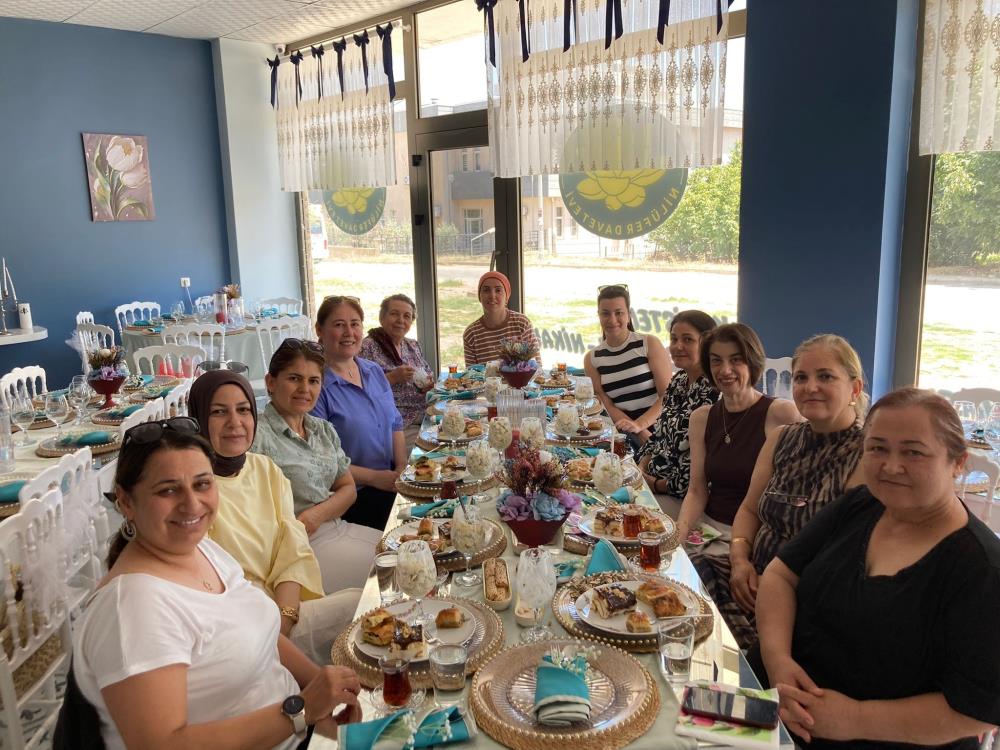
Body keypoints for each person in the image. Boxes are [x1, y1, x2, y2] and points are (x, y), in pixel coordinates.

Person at [71, 418, 362, 749]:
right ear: (125, 502)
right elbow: (165, 744)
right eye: (168, 490)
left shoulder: (202, 550)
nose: (192, 504)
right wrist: (303, 710)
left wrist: (323, 695)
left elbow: (264, 634)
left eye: (202, 484)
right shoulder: (133, 609)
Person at [757, 388, 1000, 748]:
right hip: (779, 706)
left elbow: (977, 709)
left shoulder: (982, 570)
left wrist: (856, 718)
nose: (891, 466)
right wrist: (777, 661)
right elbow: (780, 575)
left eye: (913, 452)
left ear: (958, 462)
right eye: (878, 448)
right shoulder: (860, 505)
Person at [699, 334, 866, 649]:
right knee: (688, 578)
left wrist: (774, 586)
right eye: (801, 377)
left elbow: (844, 558)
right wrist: (739, 561)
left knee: (711, 642)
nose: (810, 387)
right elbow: (749, 509)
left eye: (825, 377)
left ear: (854, 389)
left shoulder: (865, 455)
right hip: (749, 579)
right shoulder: (782, 438)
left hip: (804, 599)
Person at [189, 370, 361, 665]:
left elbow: (292, 551)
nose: (235, 422)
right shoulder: (193, 492)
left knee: (365, 604)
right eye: (219, 412)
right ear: (198, 420)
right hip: (241, 631)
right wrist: (273, 629)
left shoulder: (264, 469)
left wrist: (285, 617)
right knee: (363, 611)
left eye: (243, 410)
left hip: (283, 613)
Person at [253, 338, 382, 593]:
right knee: (399, 570)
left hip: (336, 527)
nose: (305, 389)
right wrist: (305, 523)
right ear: (271, 382)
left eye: (313, 381)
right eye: (294, 378)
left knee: (414, 550)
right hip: (299, 549)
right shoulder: (257, 436)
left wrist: (317, 514)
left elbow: (348, 488)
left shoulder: (322, 430)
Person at [677, 323, 800, 546]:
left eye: (736, 360)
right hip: (709, 530)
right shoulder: (701, 418)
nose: (725, 370)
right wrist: (679, 534)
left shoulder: (781, 413)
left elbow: (793, 495)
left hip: (758, 536)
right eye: (716, 361)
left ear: (752, 362)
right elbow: (696, 490)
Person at [312, 295, 406, 531]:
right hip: (354, 494)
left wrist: (402, 468)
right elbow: (323, 461)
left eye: (355, 324)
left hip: (391, 481)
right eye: (339, 324)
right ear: (319, 330)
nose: (349, 332)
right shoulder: (316, 387)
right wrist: (376, 478)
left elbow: (395, 422)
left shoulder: (373, 371)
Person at [636, 310, 719, 516]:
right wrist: (641, 467)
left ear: (707, 343)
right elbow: (659, 434)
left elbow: (702, 471)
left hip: (682, 497)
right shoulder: (679, 380)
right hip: (651, 483)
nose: (677, 346)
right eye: (674, 339)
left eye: (688, 339)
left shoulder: (715, 392)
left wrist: (656, 485)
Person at [584, 284, 672, 441]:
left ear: (629, 315)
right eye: (605, 313)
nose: (612, 320)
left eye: (619, 313)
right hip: (623, 433)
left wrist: (641, 425)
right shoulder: (592, 358)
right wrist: (636, 430)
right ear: (599, 315)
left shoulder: (648, 344)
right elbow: (606, 404)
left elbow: (668, 395)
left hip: (660, 427)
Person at [360, 294, 434, 449]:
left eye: (407, 316)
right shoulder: (367, 347)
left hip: (425, 413)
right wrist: (392, 377)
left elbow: (428, 372)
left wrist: (427, 384)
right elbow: (359, 391)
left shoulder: (412, 345)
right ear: (382, 318)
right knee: (433, 449)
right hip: (398, 424)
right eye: (394, 314)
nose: (401, 320)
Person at [462, 271, 541, 366]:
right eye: (486, 290)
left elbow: (537, 366)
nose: (492, 296)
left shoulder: (522, 324)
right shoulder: (471, 334)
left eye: (498, 290)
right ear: (479, 296)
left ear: (507, 297)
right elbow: (471, 373)